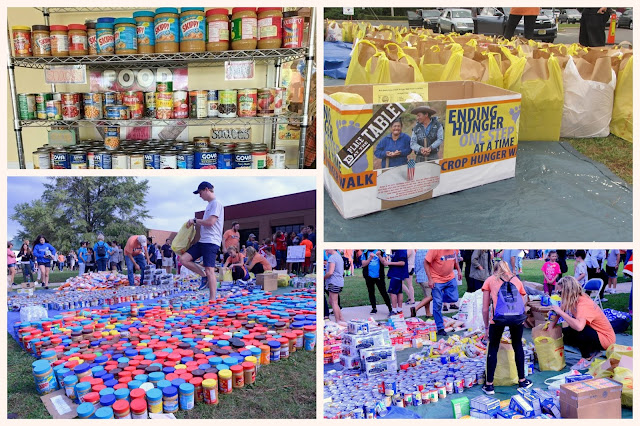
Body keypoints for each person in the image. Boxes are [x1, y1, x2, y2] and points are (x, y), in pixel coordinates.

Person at [481, 261, 531, 394]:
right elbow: (523, 302)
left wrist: (486, 327)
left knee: (493, 347)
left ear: (494, 269)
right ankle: (522, 381)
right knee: (517, 345)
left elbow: (485, 309)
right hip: (516, 318)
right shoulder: (517, 280)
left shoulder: (490, 280)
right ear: (508, 268)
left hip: (497, 319)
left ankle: (489, 385)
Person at [549, 276, 616, 370]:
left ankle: (587, 358)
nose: (558, 295)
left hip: (605, 339)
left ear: (568, 291)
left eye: (559, 292)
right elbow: (557, 313)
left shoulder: (583, 303)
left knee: (578, 330)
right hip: (594, 333)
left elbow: (579, 327)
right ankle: (593, 351)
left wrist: (561, 312)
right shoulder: (571, 299)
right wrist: (549, 330)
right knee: (562, 334)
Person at [180, 181, 224, 302]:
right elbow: (206, 223)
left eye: (200, 193)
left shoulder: (216, 203)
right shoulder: (209, 205)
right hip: (203, 240)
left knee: (210, 270)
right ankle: (204, 276)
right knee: (183, 259)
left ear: (206, 190)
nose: (200, 196)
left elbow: (210, 222)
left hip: (211, 241)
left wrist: (195, 220)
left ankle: (212, 299)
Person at [425, 249, 462, 336]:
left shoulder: (454, 248)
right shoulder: (435, 249)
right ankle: (440, 328)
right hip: (436, 279)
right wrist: (430, 279)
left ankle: (436, 297)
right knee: (437, 304)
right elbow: (426, 262)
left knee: (454, 298)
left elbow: (455, 260)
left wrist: (459, 271)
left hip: (450, 278)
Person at [362, 249, 392, 315]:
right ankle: (374, 308)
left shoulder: (381, 251)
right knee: (371, 292)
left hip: (379, 276)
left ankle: (390, 308)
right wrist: (370, 258)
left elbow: (384, 263)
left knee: (383, 292)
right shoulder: (365, 252)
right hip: (369, 276)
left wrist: (379, 255)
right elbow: (363, 264)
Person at [383, 250, 409, 315]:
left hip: (397, 274)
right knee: (399, 292)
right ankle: (399, 309)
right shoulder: (395, 250)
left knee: (393, 292)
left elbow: (402, 263)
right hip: (396, 273)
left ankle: (394, 310)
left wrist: (390, 263)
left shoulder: (401, 250)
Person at [411, 249, 433, 318]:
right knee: (431, 296)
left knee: (426, 297)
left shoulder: (418, 251)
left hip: (420, 277)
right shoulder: (430, 251)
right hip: (428, 277)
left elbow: (416, 265)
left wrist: (417, 275)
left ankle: (428, 313)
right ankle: (415, 308)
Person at [325, 249, 345, 323]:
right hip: (338, 281)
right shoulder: (339, 256)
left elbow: (330, 272)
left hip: (334, 282)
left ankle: (338, 320)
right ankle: (341, 318)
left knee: (334, 302)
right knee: (331, 301)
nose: (326, 249)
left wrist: (323, 277)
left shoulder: (332, 257)